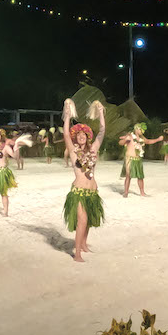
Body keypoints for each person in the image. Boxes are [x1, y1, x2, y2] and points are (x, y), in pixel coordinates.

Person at [62, 99, 106, 263]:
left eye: (83, 135)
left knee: (88, 221)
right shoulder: (73, 152)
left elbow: (102, 131)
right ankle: (77, 253)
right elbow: (66, 133)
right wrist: (67, 115)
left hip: (92, 191)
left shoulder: (93, 149)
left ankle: (84, 244)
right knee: (83, 220)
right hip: (79, 191)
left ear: (87, 137)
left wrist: (101, 112)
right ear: (76, 138)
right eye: (78, 135)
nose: (81, 137)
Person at [119, 123, 163, 198]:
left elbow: (148, 141)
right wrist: (125, 140)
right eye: (140, 129)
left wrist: (158, 139)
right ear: (136, 129)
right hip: (130, 159)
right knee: (128, 176)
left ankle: (142, 192)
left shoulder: (142, 138)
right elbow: (120, 143)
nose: (142, 131)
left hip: (138, 159)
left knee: (140, 177)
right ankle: (126, 192)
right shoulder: (130, 136)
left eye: (142, 130)